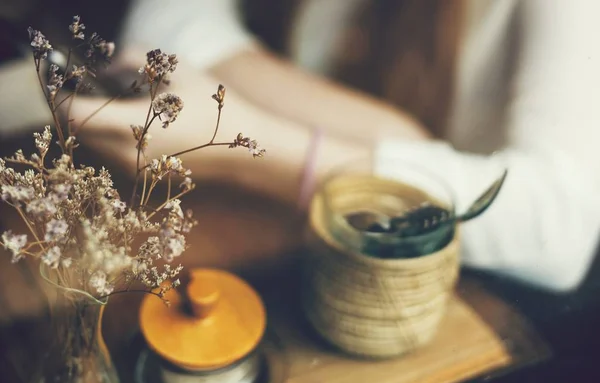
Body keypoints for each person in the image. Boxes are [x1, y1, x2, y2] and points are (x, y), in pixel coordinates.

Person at [5, 0, 600, 292]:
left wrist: (256, 149)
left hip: (460, 288)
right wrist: (392, 140)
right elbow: (169, 21)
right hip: (296, 241)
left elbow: (560, 226)